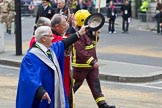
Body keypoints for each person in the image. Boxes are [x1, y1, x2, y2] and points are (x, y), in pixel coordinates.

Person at [16, 23, 88, 108]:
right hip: (43, 98)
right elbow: (29, 78)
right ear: (43, 38)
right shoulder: (30, 58)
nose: (53, 38)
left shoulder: (51, 50)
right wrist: (41, 92)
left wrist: (79, 33)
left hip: (54, 94)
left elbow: (64, 43)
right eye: (50, 36)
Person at [71, 9, 116, 108]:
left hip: (91, 66)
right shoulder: (78, 34)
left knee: (95, 84)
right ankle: (65, 100)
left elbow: (92, 45)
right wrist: (92, 61)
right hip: (81, 66)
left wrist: (96, 35)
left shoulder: (88, 32)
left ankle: (102, 104)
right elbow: (81, 52)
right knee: (74, 86)